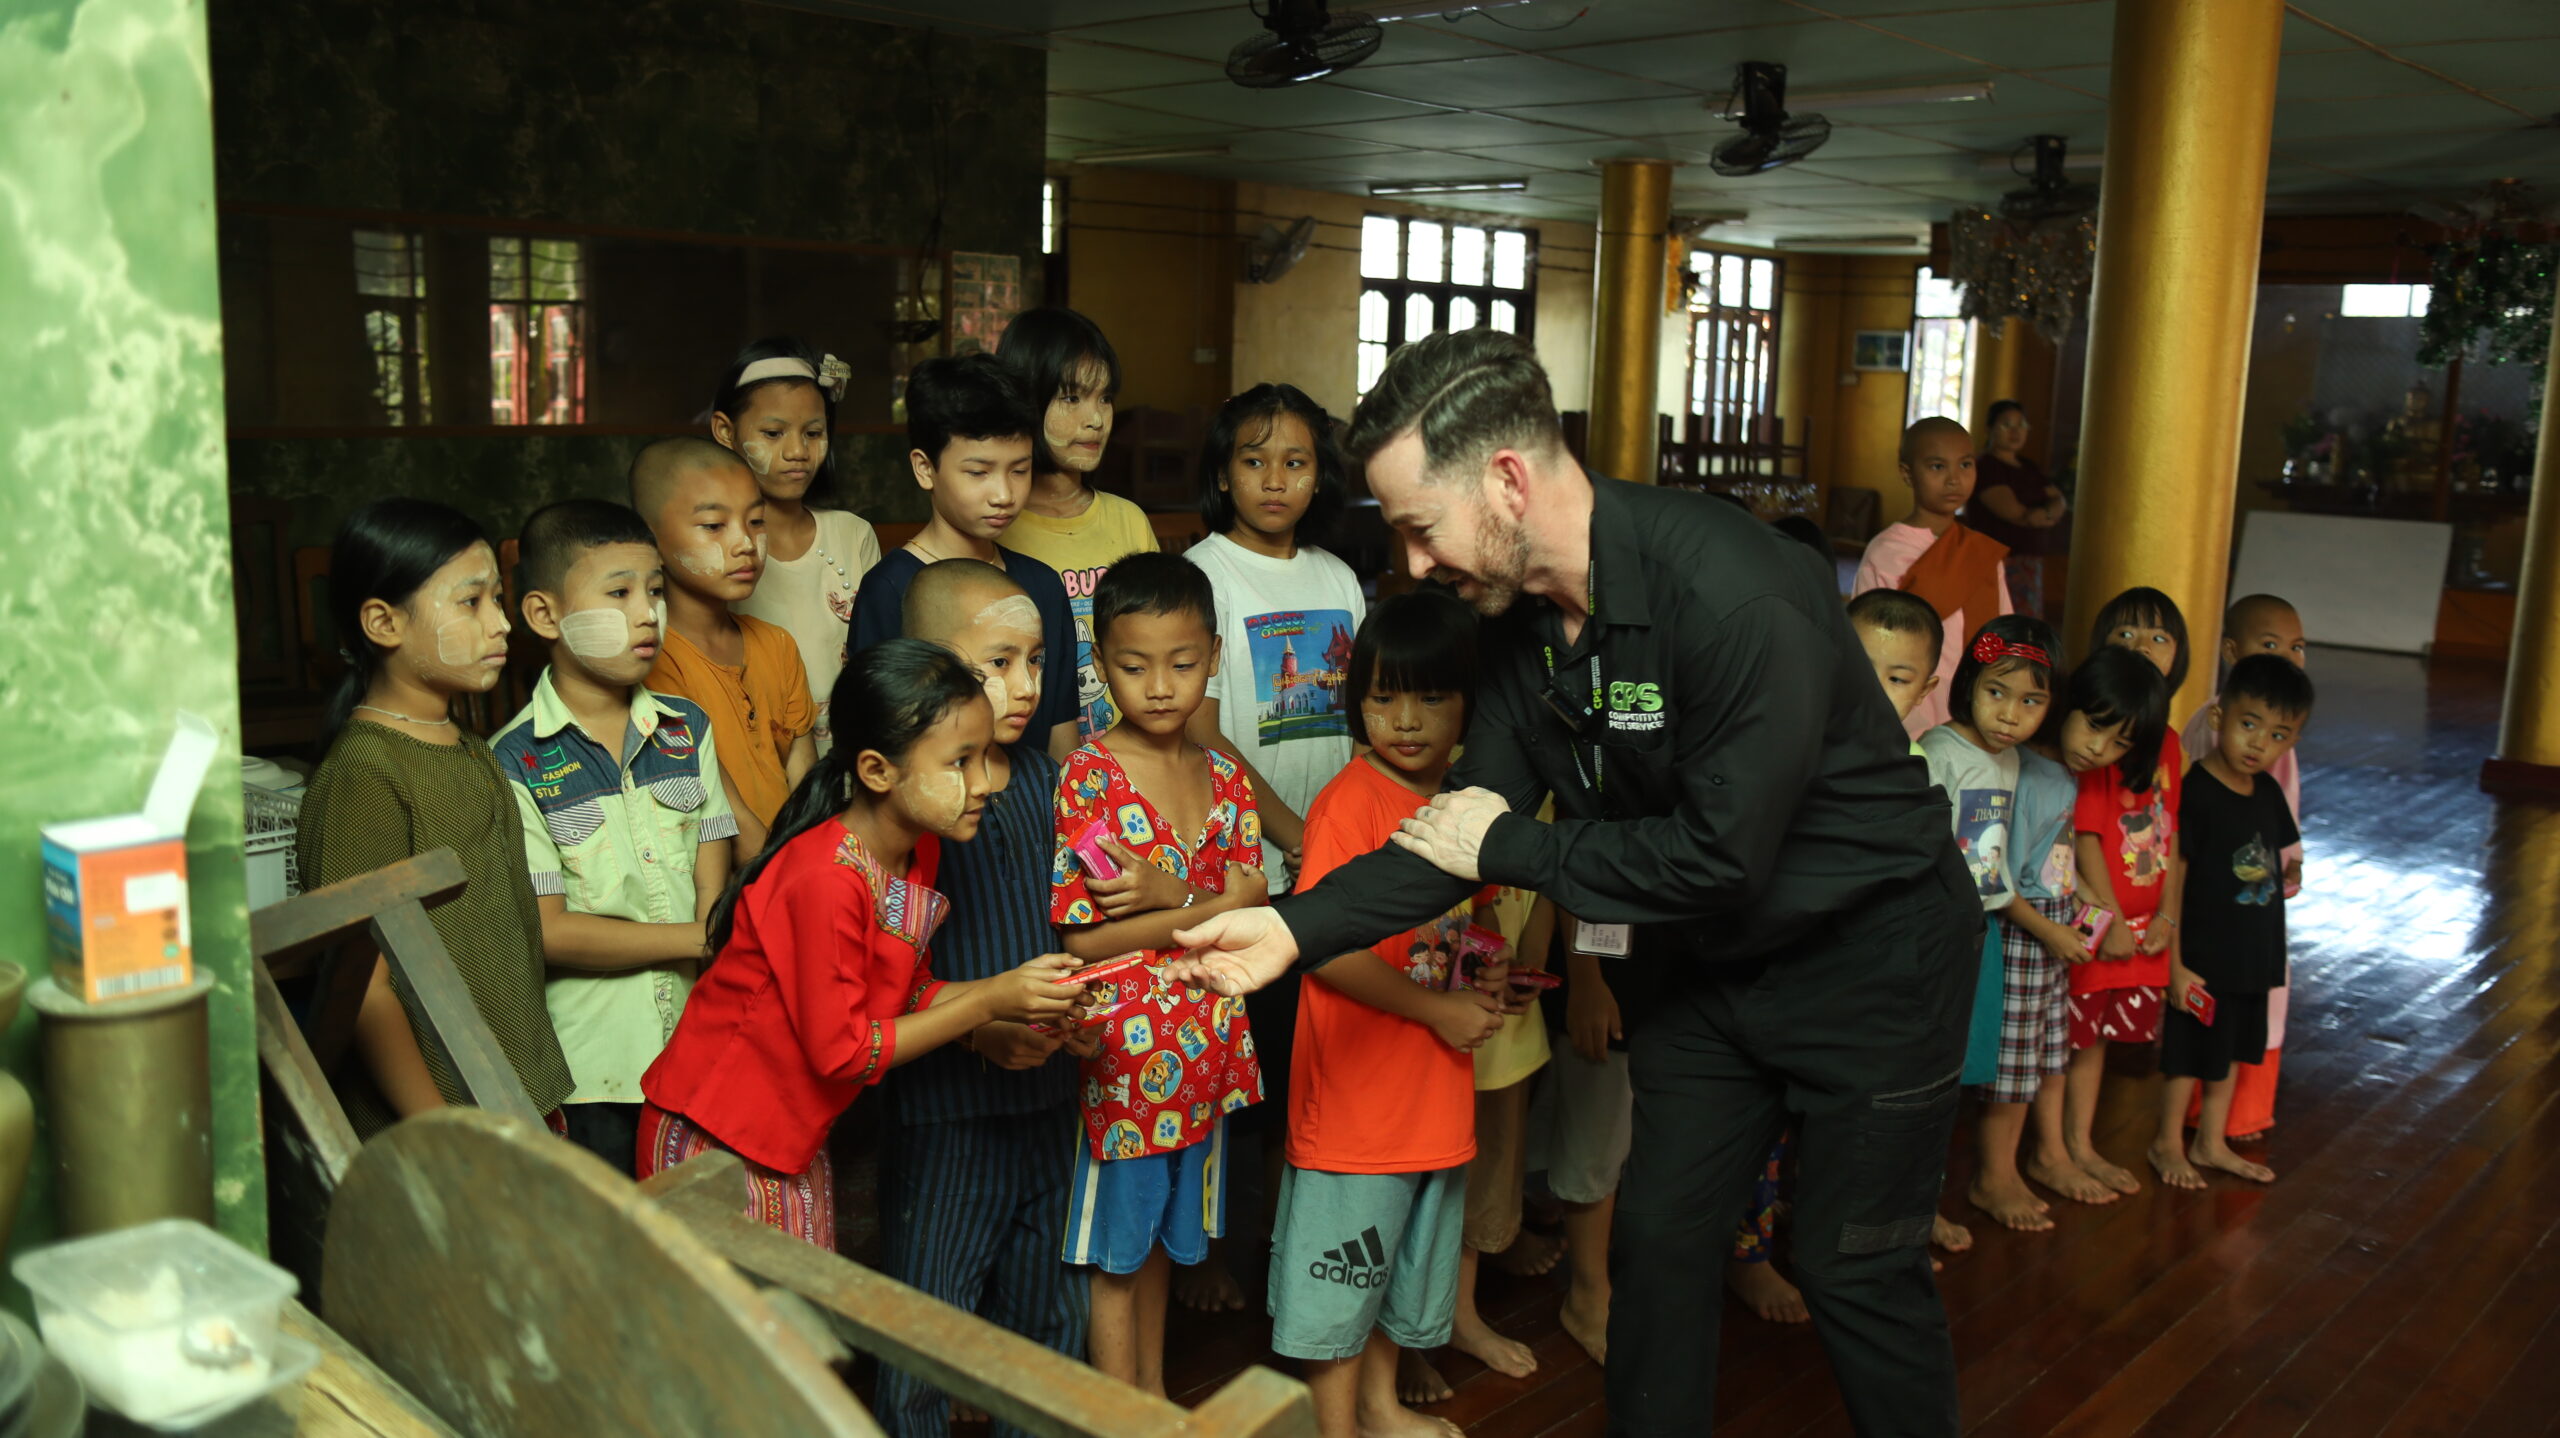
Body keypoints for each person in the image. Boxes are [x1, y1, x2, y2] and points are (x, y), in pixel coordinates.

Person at [1164, 329, 1979, 1437]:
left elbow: (1712, 854)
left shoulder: (1735, 593)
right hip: (1702, 973)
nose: (1408, 565)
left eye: (1418, 527)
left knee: (1851, 1265)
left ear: (1505, 480)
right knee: (1657, 1246)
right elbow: (1451, 833)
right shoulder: (1511, 623)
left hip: (1871, 961)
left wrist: (1510, 848)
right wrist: (1292, 929)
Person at [637, 641, 1084, 1244]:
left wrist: (1021, 996)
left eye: (985, 757)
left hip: (789, 1136)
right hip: (716, 1137)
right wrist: (989, 1001)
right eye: (960, 762)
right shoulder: (825, 877)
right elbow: (844, 1053)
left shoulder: (918, 848)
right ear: (877, 770)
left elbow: (909, 989)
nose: (983, 784)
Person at [1275, 591, 1508, 1438]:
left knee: (1395, 1259)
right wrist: (1433, 1011)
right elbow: (1321, 946)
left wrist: (1488, 970)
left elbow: (1467, 921)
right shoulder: (1350, 804)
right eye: (1382, 697)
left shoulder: (1461, 802)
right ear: (1355, 701)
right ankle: (1337, 1428)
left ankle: (1376, 1407)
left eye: (1431, 698)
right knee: (1346, 1270)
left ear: (1469, 707)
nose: (1405, 721)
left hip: (1428, 1091)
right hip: (1358, 1103)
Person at [874, 559, 1089, 1438]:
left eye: (1036, 661)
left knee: (1052, 1327)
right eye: (996, 662)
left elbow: (1076, 926)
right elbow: (875, 968)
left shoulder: (1049, 782)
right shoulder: (904, 801)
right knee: (926, 1334)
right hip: (944, 1113)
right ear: (927, 663)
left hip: (1052, 1099)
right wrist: (977, 1034)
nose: (1026, 686)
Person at [1049, 553, 1271, 1398]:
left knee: (1164, 1254)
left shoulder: (1223, 777)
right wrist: (1213, 902)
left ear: (1213, 657)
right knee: (1120, 1251)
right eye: (1134, 667)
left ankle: (1149, 1409)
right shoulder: (1092, 778)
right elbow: (1081, 939)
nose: (1159, 687)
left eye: (1181, 665)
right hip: (1127, 1063)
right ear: (1101, 665)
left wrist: (1175, 894)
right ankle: (1125, 1416)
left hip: (1206, 1052)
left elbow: (1254, 912)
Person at [297, 499, 574, 1129]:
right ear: (383, 623)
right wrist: (442, 1131)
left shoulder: (474, 751)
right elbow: (360, 987)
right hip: (447, 1122)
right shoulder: (364, 775)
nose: (500, 624)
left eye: (498, 602)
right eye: (471, 603)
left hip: (513, 1101)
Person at [1180, 382, 1367, 1315]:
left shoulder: (1338, 579)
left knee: (1311, 1070)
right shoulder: (1205, 574)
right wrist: (1302, 837)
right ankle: (1210, 1255)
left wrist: (1343, 842)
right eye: (1253, 460)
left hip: (1331, 871)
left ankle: (1292, 1254)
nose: (1274, 480)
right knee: (1232, 1078)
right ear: (1223, 472)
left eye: (1295, 461)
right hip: (1247, 873)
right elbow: (1205, 737)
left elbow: (1361, 715)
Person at [495, 500, 737, 1175]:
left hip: (699, 1049)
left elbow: (713, 867)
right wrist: (700, 939)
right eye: (620, 593)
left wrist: (710, 926)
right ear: (545, 616)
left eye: (655, 592)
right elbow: (550, 932)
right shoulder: (514, 760)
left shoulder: (687, 728)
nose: (646, 615)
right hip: (594, 1069)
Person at [848, 354, 1081, 761]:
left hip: (1033, 813)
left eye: (1019, 470)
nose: (1004, 494)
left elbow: (1062, 735)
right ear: (925, 469)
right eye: (979, 472)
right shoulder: (889, 590)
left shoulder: (1042, 584)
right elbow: (874, 739)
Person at [1989, 653, 2155, 1214]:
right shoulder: (2027, 773)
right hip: (2023, 938)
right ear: (2067, 704)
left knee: (2048, 1056)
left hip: (2052, 933)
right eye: (2093, 726)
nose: (2098, 749)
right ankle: (1995, 1176)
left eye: (2117, 744)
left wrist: (2089, 899)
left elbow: (2055, 856)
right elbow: (2001, 878)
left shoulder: (2064, 774)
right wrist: (2053, 933)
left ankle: (2046, 1158)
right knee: (2012, 1068)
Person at [1920, 616, 2062, 1234]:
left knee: (1953, 1074)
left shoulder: (2011, 763)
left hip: (1984, 933)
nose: (2010, 715)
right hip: (1932, 936)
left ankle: (1926, 1206)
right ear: (1967, 684)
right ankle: (1909, 1213)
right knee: (1919, 1076)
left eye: (2030, 701)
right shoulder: (1936, 752)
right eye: (1996, 693)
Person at [2152, 654, 2313, 1189]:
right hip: (2203, 953)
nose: (2258, 744)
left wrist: (2294, 867)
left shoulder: (2267, 792)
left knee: (2233, 1054)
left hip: (2254, 951)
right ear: (2220, 718)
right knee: (2188, 1055)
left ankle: (2211, 1141)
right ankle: (2166, 1142)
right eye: (2249, 725)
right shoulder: (2196, 791)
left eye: (2277, 735)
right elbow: (2175, 873)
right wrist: (2173, 964)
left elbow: (2281, 855)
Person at [632, 436, 814, 859]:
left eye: (756, 522)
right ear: (650, 538)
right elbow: (713, 798)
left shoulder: (777, 645)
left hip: (791, 862)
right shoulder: (651, 659)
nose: (745, 544)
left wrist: (808, 857)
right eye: (714, 526)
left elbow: (803, 774)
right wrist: (779, 872)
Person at [712, 338, 885, 757]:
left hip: (852, 763)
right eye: (773, 433)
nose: (797, 451)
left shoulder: (853, 535)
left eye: (813, 432)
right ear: (725, 431)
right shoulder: (714, 549)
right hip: (755, 763)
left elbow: (877, 666)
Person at [994, 308, 1159, 739]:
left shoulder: (1129, 522)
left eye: (1104, 397)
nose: (1097, 419)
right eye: (1072, 398)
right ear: (1026, 399)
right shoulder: (996, 529)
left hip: (1126, 778)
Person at [2179, 593, 2308, 1143]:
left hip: (2259, 898)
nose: (2286, 657)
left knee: (2260, 1003)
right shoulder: (2217, 719)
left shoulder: (2276, 724)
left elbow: (2282, 809)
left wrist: (2289, 863)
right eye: (2269, 644)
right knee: (2216, 1004)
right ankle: (2196, 1119)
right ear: (2232, 650)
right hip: (2219, 897)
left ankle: (2239, 1114)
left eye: (2297, 647)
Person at [2062, 641, 2178, 1196]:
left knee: (2095, 1040)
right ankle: (2055, 1151)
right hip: (2096, 926)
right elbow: (2086, 836)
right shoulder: (2084, 765)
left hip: (2138, 931)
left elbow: (2172, 832)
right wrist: (2106, 919)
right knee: (2064, 1039)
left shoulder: (2161, 750)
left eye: (2160, 638)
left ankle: (2077, 1146)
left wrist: (2168, 917)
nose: (2103, 748)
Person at [1852, 417, 2014, 738]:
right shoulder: (1886, 552)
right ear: (1907, 474)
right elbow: (1865, 644)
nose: (1955, 479)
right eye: (1938, 467)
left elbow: (2002, 632)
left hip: (1972, 707)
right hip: (1907, 712)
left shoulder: (1980, 552)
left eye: (1965, 465)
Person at [1965, 400, 2067, 618]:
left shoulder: (2029, 466)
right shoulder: (1986, 467)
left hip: (2030, 563)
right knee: (2000, 626)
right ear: (1990, 428)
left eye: (2021, 425)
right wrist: (2042, 514)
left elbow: (2059, 500)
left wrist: (2045, 513)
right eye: (2007, 424)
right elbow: (2017, 514)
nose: (2015, 431)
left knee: (2025, 629)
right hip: (1999, 563)